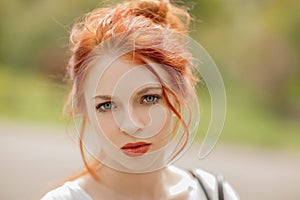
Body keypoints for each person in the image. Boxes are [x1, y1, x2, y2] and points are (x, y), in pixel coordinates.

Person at [42, 0, 239, 199]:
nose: (130, 125)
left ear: (182, 91)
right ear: (82, 108)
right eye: (106, 105)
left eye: (148, 98)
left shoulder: (214, 194)